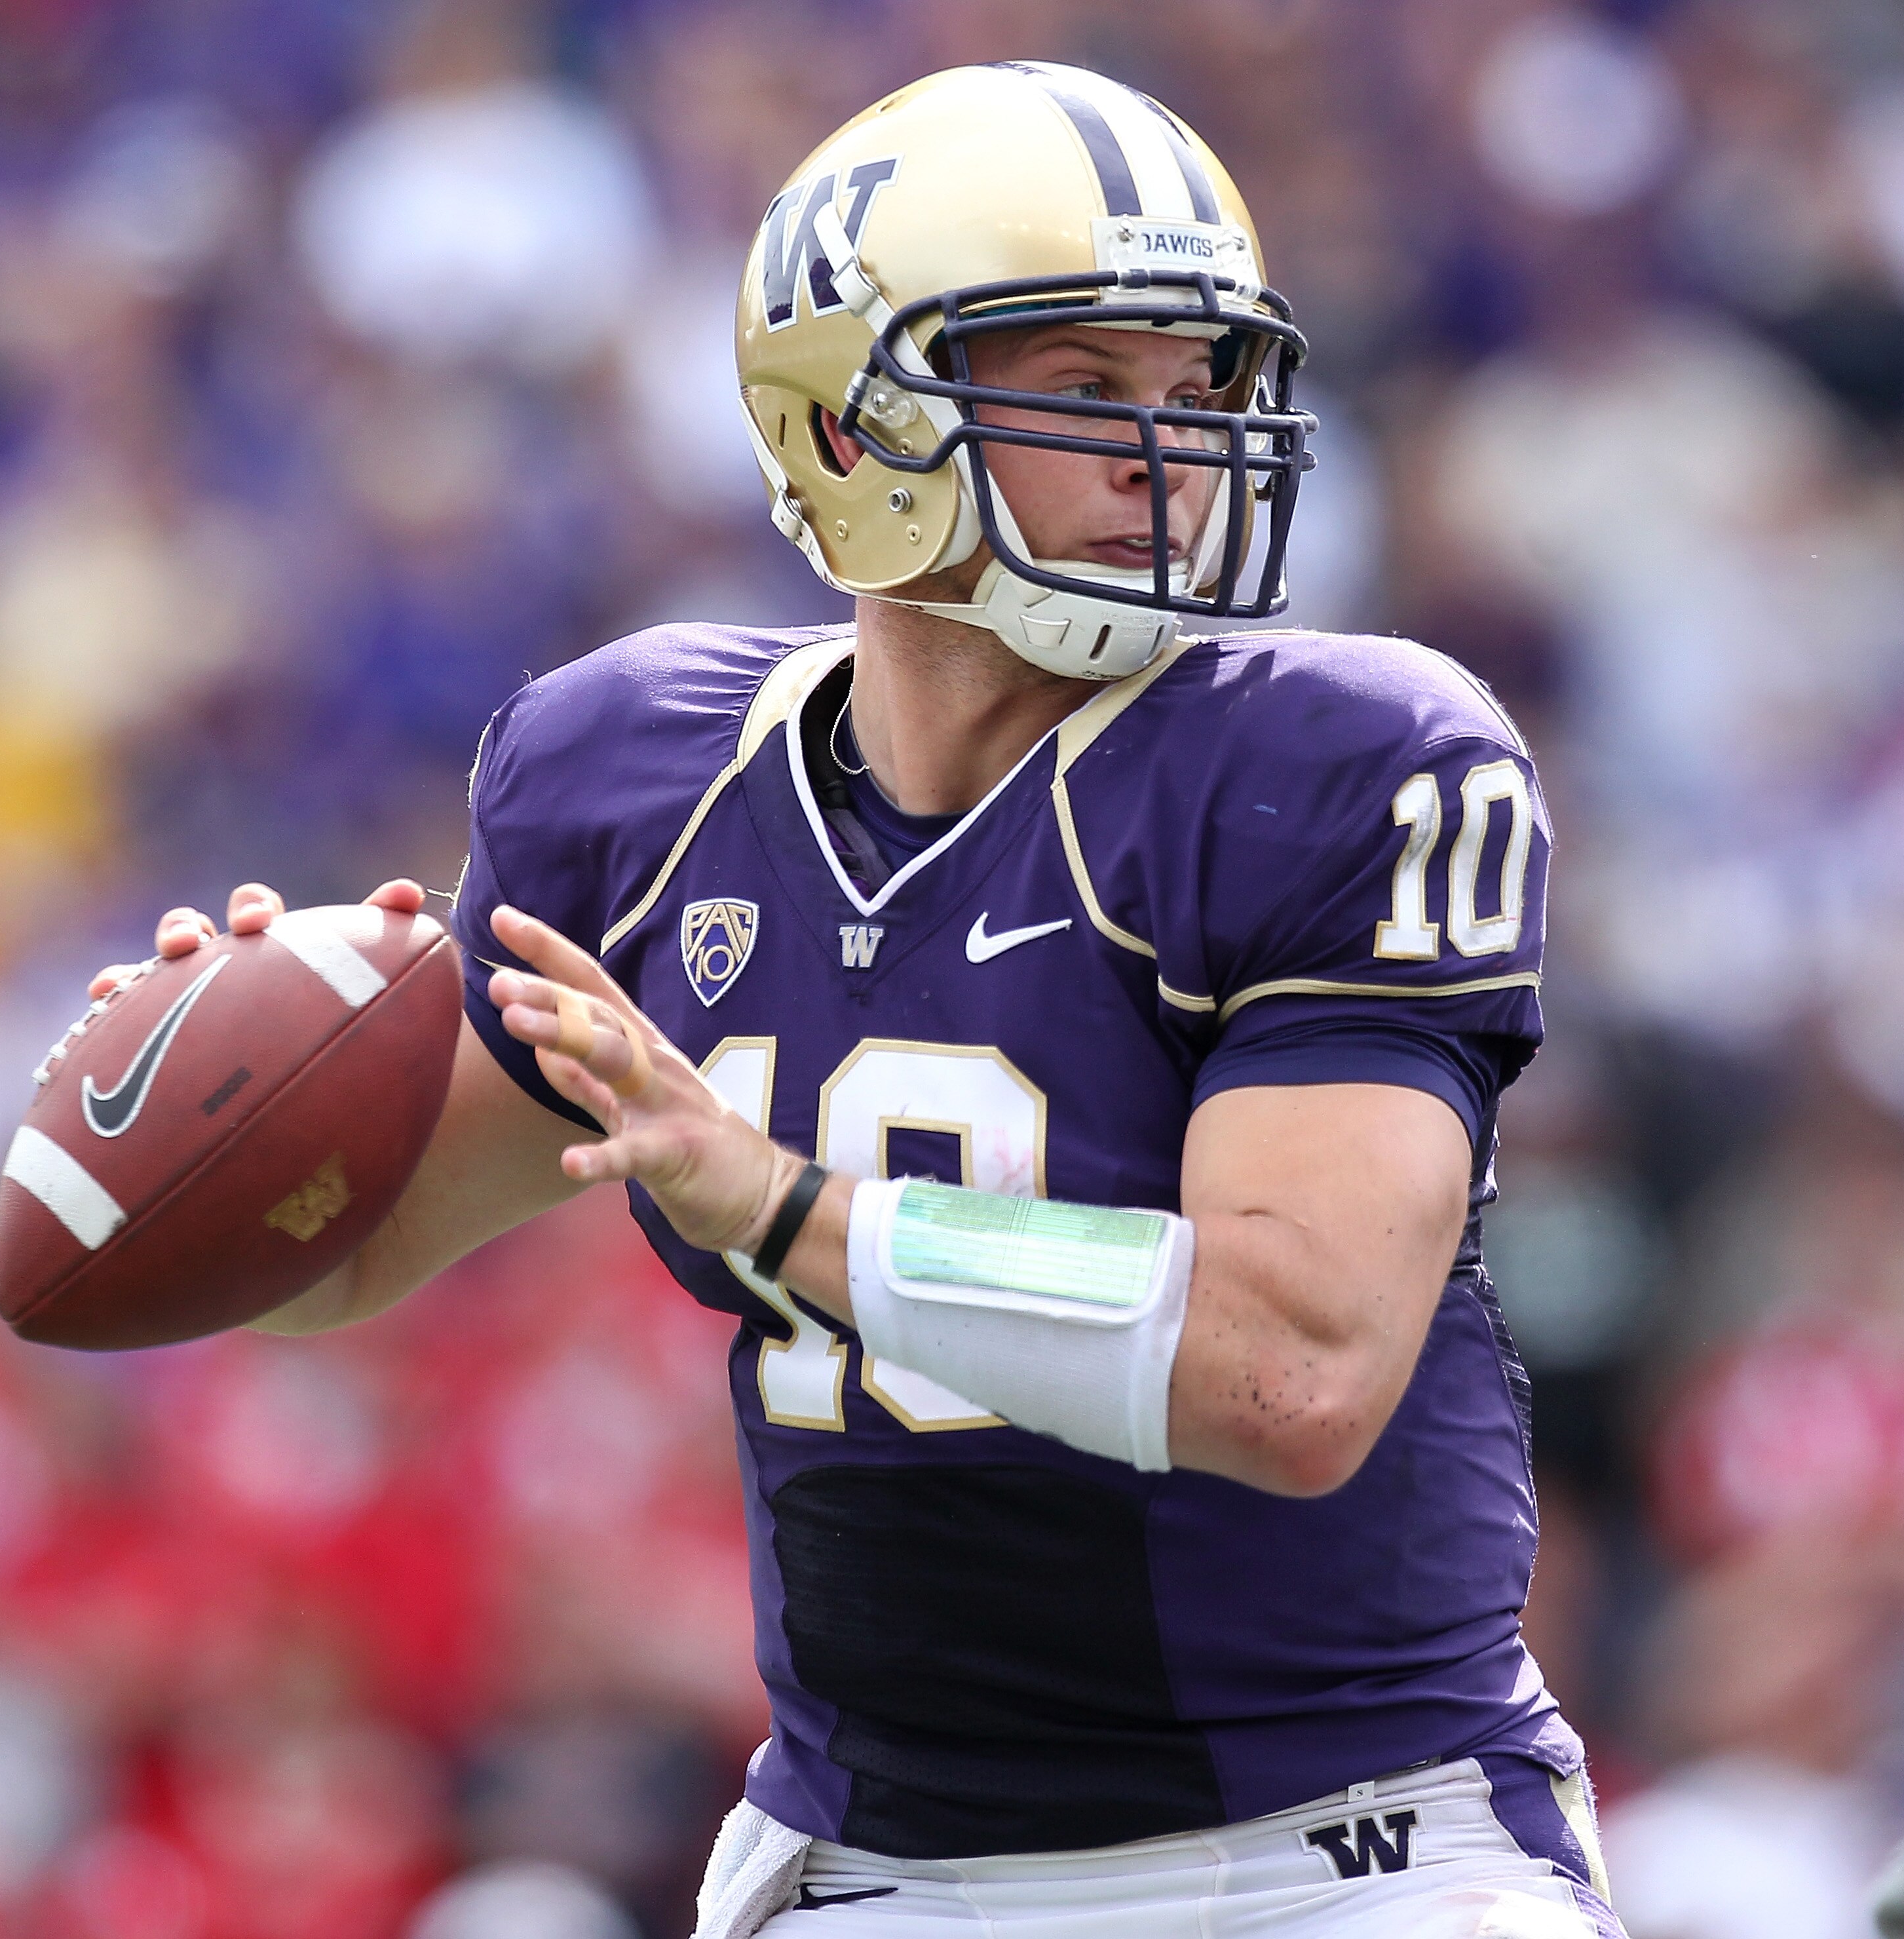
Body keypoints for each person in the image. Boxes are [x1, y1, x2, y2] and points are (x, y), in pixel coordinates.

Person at [92, 62, 1618, 1939]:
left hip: (1342, 1857)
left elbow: (1291, 1372)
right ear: (848, 426)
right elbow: (342, 1254)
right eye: (1086, 387)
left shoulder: (1333, 761)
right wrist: (219, 1096)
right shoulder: (638, 780)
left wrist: (786, 1208)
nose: (1166, 452)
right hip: (878, 1867)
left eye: (1198, 387)